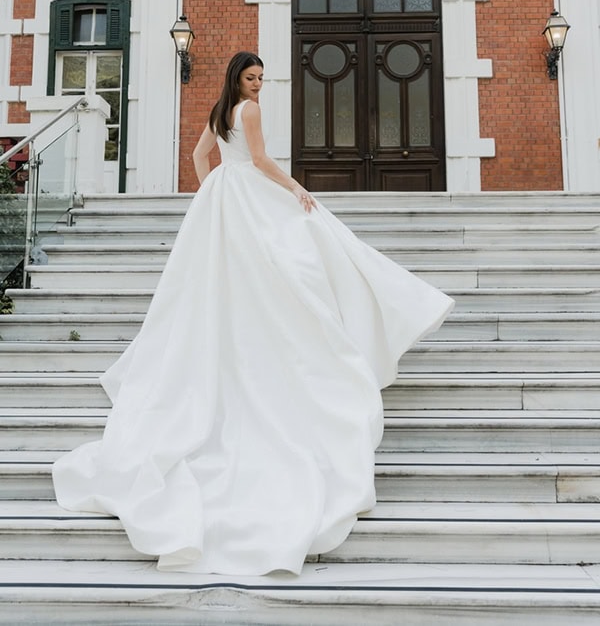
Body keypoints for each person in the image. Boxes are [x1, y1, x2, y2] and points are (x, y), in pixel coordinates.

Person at [53, 51, 454, 576]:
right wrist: (294, 187)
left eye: (261, 78)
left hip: (222, 195)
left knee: (227, 276)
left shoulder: (219, 109)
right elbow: (261, 161)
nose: (259, 84)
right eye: (252, 77)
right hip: (248, 189)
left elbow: (200, 157)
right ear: (237, 78)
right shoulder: (248, 110)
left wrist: (214, 190)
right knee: (299, 251)